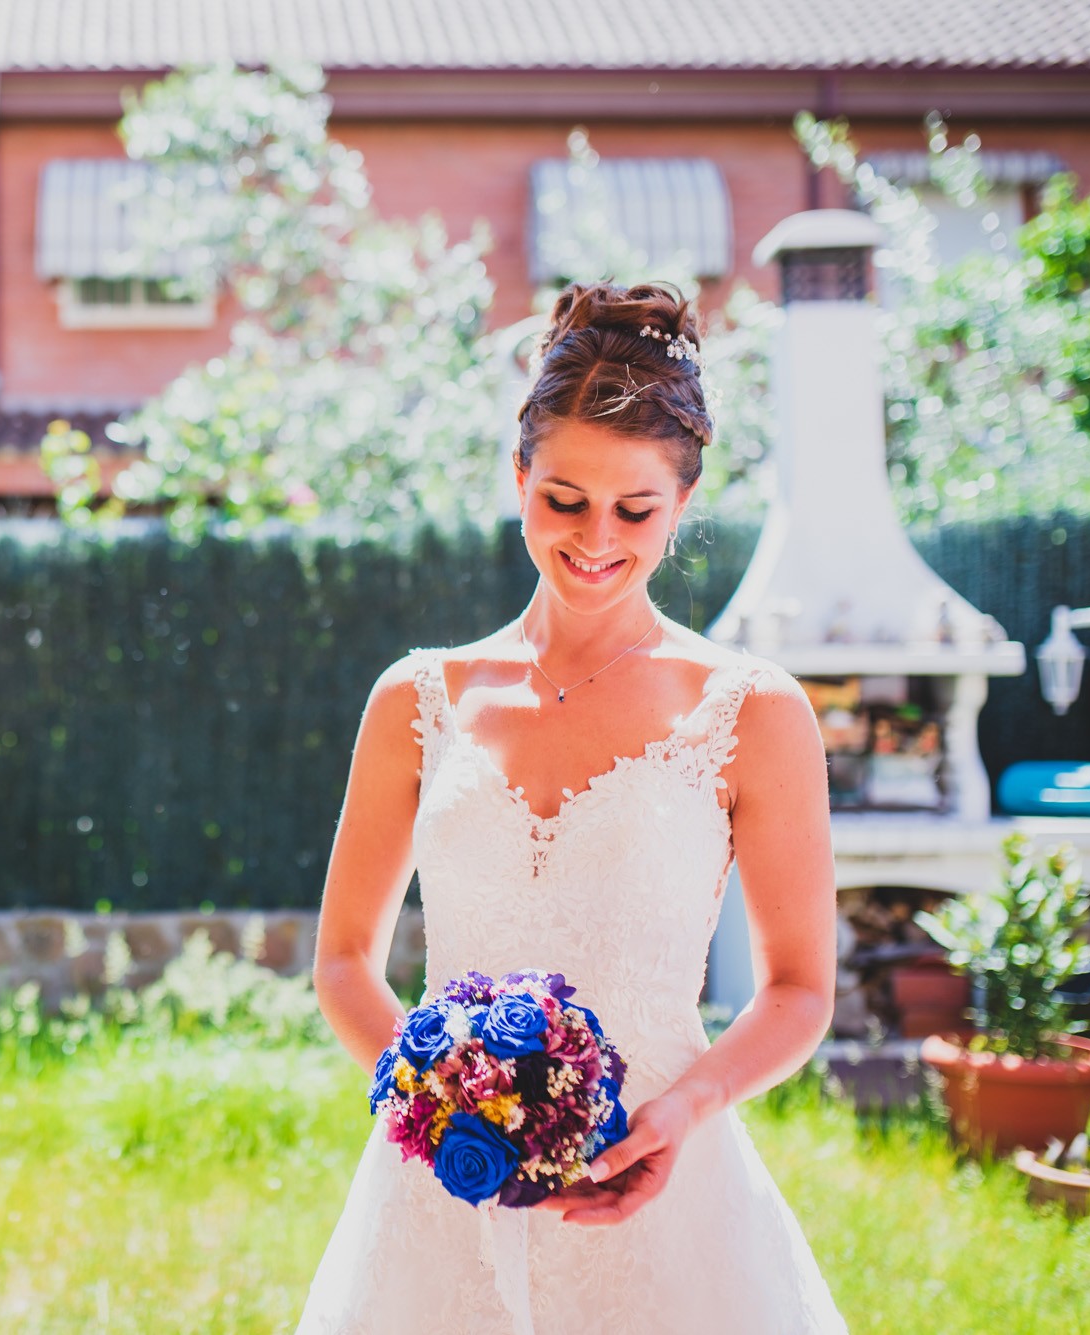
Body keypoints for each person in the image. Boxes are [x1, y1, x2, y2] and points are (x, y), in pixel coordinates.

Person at [295, 281, 847, 1333]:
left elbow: (797, 989)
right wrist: (438, 1106)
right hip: (441, 1193)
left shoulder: (753, 711)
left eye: (635, 510)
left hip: (659, 1185)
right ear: (518, 478)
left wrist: (681, 1111)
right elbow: (342, 963)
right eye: (563, 500)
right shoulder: (416, 699)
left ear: (681, 501)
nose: (596, 538)